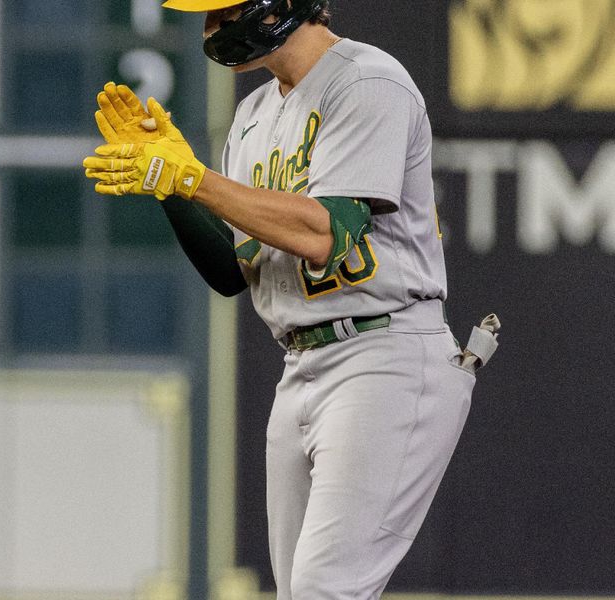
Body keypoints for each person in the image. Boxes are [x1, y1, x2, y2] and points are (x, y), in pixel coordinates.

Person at [83, 1, 497, 598]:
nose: (210, 29)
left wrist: (191, 178)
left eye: (223, 11)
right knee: (304, 592)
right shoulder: (253, 115)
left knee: (324, 589)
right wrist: (168, 181)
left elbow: (327, 235)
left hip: (383, 354)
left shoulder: (366, 80)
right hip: (301, 363)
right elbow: (232, 270)